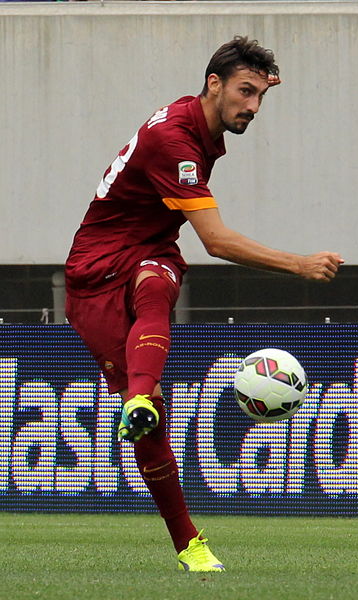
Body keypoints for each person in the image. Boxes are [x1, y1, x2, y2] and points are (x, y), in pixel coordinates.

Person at [65, 36, 343, 572]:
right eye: (245, 91)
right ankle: (185, 533)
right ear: (213, 84)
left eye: (262, 96)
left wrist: (257, 75)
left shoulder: (200, 125)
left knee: (158, 280)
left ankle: (140, 403)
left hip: (146, 251)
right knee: (154, 425)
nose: (254, 107)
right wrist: (300, 265)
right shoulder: (177, 140)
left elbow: (187, 235)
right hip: (92, 276)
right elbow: (215, 241)